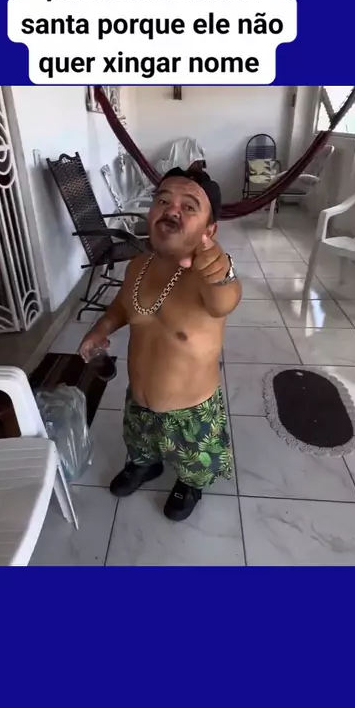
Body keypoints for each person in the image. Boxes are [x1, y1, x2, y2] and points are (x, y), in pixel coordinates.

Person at [79, 167, 242, 521]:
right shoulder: (138, 265)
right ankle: (145, 464)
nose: (172, 211)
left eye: (189, 207)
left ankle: (190, 484)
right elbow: (123, 306)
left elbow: (225, 300)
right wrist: (101, 328)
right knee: (139, 441)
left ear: (209, 231)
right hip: (139, 399)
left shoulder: (206, 276)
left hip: (191, 410)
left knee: (194, 460)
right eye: (163, 201)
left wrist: (222, 272)